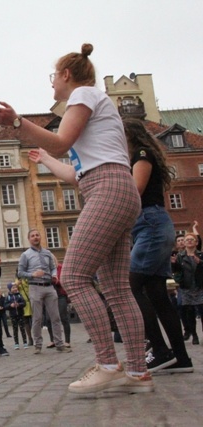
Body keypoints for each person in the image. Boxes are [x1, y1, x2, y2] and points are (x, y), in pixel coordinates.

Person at [0, 43, 152, 394]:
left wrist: (18, 122)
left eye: (53, 77)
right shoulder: (97, 109)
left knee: (74, 277)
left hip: (107, 189)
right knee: (118, 290)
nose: (52, 85)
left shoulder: (84, 95)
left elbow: (62, 142)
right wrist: (44, 157)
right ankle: (138, 371)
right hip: (113, 188)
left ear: (65, 75)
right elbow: (73, 171)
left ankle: (108, 362)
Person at [123, 118, 193, 374]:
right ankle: (181, 358)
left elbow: (136, 188)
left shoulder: (141, 154)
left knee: (132, 286)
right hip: (153, 225)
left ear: (128, 136)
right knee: (156, 294)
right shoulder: (144, 153)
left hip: (150, 224)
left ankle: (161, 351)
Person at [17, 229, 71, 355]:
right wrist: (32, 274)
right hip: (35, 286)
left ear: (40, 237)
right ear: (29, 239)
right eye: (32, 236)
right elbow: (20, 273)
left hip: (49, 286)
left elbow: (52, 267)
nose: (35, 237)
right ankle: (37, 345)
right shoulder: (25, 255)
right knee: (37, 318)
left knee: (55, 317)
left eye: (37, 235)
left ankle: (59, 344)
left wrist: (54, 275)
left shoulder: (47, 253)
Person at [172, 233, 203, 351]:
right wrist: (174, 264)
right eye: (187, 240)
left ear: (196, 242)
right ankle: (193, 334)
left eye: (192, 240)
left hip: (199, 286)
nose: (189, 241)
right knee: (189, 311)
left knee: (202, 310)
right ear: (184, 243)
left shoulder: (200, 255)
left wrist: (200, 262)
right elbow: (176, 272)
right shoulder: (180, 256)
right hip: (186, 287)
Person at [5, 283, 27, 349]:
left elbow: (24, 303)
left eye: (15, 287)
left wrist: (19, 304)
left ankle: (25, 342)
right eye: (13, 288)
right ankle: (16, 343)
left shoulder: (20, 295)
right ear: (10, 289)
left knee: (22, 329)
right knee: (15, 330)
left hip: (20, 314)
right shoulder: (8, 297)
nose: (15, 289)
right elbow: (5, 306)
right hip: (13, 315)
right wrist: (10, 305)